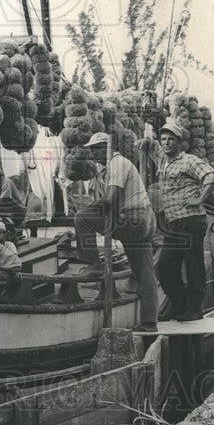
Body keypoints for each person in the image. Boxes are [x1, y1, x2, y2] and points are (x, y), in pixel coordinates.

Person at [74, 132, 158, 332]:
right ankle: (150, 322)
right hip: (144, 221)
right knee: (145, 273)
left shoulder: (117, 163)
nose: (93, 154)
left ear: (107, 147)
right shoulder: (109, 169)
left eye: (96, 149)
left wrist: (91, 207)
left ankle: (94, 264)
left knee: (81, 217)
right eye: (91, 149)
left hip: (135, 219)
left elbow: (111, 199)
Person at [155, 120, 214, 321]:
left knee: (193, 266)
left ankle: (194, 310)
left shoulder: (189, 160)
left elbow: (212, 176)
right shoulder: (163, 160)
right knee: (164, 267)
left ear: (179, 142)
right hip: (174, 222)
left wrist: (200, 198)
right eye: (163, 139)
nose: (166, 143)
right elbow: (150, 148)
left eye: (171, 140)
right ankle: (178, 302)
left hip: (191, 220)